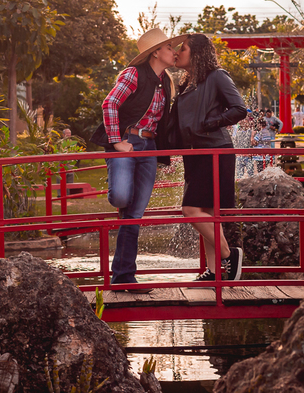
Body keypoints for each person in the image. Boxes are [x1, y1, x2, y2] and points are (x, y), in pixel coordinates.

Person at [89, 28, 179, 288]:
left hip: (149, 147)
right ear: (156, 52)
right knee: (120, 197)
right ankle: (118, 190)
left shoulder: (166, 82)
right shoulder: (133, 74)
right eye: (170, 48)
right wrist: (117, 141)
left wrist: (167, 153)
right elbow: (110, 103)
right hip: (127, 143)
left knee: (134, 216)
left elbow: (163, 122)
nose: (174, 52)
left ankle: (124, 276)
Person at [172, 33, 247, 283]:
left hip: (214, 150)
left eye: (181, 49)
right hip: (194, 153)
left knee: (190, 209)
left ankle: (229, 254)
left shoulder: (217, 76)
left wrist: (208, 124)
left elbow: (239, 109)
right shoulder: (186, 83)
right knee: (208, 213)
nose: (177, 53)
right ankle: (215, 273)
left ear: (196, 52)